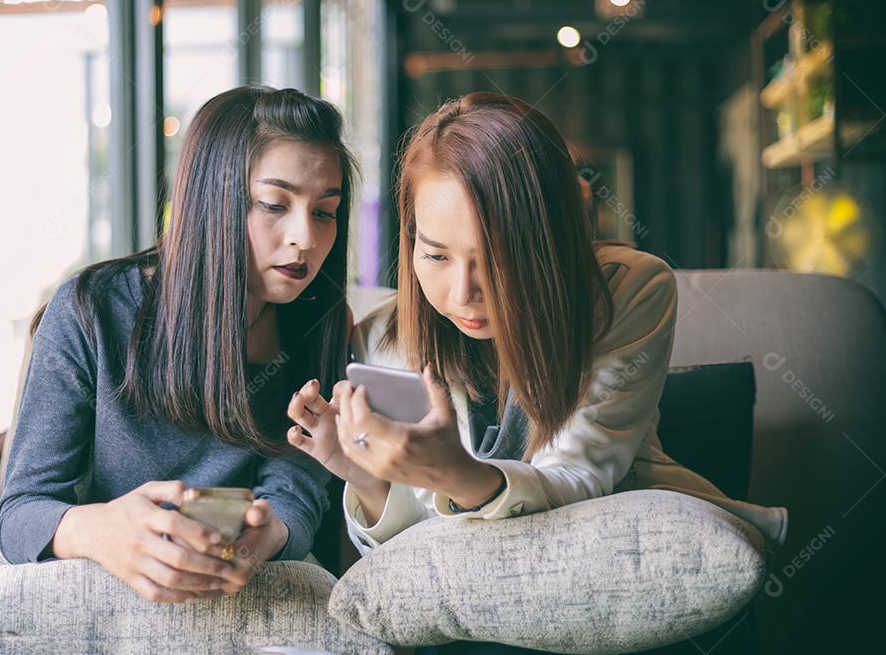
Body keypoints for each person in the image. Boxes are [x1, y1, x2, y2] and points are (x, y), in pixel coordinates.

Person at [287, 92, 787, 651]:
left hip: (608, 568)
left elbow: (580, 478)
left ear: (549, 239)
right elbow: (409, 552)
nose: (464, 293)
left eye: (497, 256)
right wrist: (362, 473)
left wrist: (456, 474)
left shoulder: (627, 290)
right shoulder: (381, 337)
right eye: (435, 255)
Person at [0, 85, 355, 605]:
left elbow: (297, 485)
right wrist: (103, 531)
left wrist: (268, 535)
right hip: (107, 596)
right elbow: (20, 512)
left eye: (325, 211)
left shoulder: (319, 320)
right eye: (274, 204)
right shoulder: (92, 310)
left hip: (245, 592)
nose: (305, 236)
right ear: (212, 199)